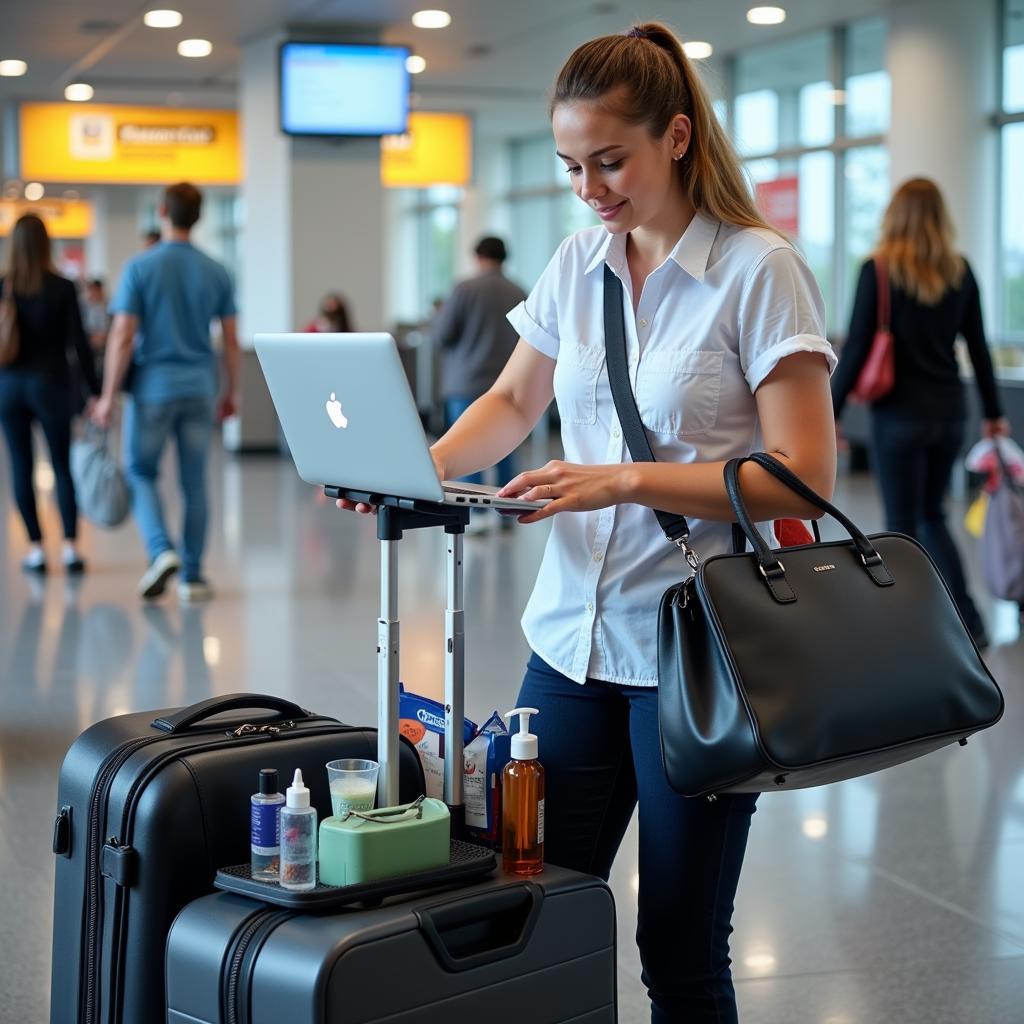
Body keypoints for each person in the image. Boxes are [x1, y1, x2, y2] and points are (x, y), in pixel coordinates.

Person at [340, 23, 837, 1022]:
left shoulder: (756, 269)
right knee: (531, 903)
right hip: (567, 640)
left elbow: (798, 475)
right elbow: (515, 403)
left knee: (678, 946)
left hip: (695, 655)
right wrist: (412, 467)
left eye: (609, 160)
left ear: (678, 138)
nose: (587, 186)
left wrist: (622, 479)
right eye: (571, 164)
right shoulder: (578, 261)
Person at [831, 177, 1009, 649]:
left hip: (900, 418)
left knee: (901, 524)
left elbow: (855, 350)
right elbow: (979, 349)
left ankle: (907, 627)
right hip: (951, 412)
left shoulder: (879, 270)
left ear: (895, 215)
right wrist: (993, 413)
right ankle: (969, 622)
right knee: (933, 516)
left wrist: (828, 412)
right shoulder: (959, 271)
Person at [93, 182, 239, 602]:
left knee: (140, 472)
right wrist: (231, 391)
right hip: (199, 388)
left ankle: (160, 551)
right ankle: (192, 576)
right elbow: (230, 340)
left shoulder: (140, 267)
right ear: (199, 217)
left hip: (152, 389)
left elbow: (122, 336)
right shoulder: (217, 270)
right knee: (195, 483)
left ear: (162, 212)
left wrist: (107, 396)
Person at [0, 214, 99, 574]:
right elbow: (79, 345)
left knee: (20, 467)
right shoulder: (61, 287)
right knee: (61, 467)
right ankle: (71, 549)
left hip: (8, 387)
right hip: (52, 386)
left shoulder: (4, 286)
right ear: (46, 245)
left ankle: (37, 551)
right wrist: (96, 391)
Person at [433, 236, 527, 492]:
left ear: (477, 257)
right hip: (507, 382)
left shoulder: (465, 289)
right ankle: (507, 505)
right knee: (504, 447)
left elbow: (443, 334)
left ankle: (475, 514)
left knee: (465, 449)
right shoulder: (518, 291)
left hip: (467, 382)